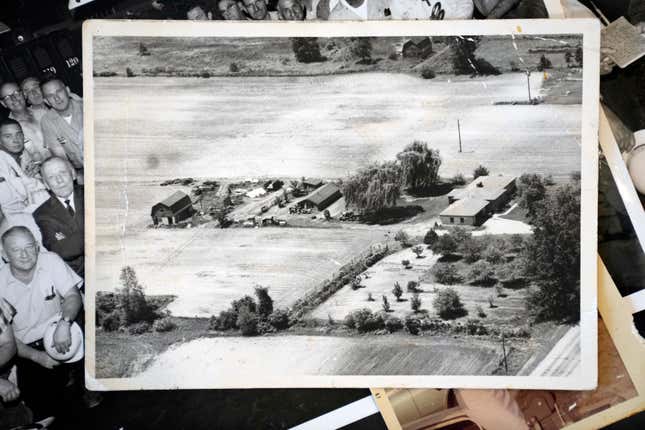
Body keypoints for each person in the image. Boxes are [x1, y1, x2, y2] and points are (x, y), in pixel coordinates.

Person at [0, 226, 83, 422]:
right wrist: (38, 357)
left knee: (82, 399)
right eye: (16, 250)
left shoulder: (51, 260)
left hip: (62, 331)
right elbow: (7, 342)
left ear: (37, 247)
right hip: (24, 350)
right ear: (4, 255)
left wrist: (64, 323)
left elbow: (73, 295)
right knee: (44, 411)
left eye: (29, 247)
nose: (25, 255)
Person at [33, 157, 84, 278]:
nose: (59, 180)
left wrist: (69, 238)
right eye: (51, 177)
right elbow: (60, 250)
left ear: (73, 174)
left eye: (62, 173)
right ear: (46, 184)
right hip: (82, 276)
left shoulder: (93, 192)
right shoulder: (42, 214)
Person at [39, 77, 84, 174]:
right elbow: (60, 156)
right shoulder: (47, 121)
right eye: (50, 96)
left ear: (67, 91)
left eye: (59, 91)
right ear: (46, 101)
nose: (57, 98)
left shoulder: (86, 105)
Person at [0, 82, 51, 163]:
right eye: (7, 97)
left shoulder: (43, 113)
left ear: (23, 94)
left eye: (16, 93)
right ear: (3, 103)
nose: (14, 98)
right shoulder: (8, 131)